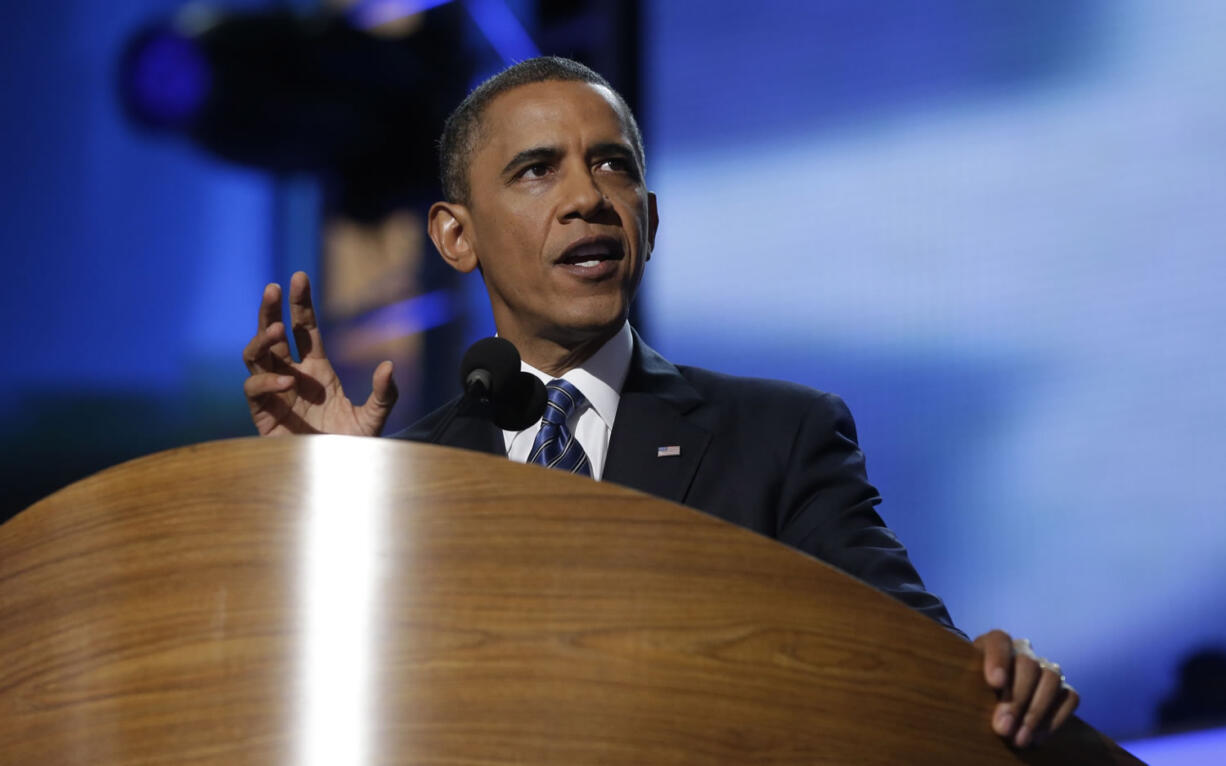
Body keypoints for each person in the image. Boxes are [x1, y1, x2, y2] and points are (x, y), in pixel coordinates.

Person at [242, 56, 1078, 748]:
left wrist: (994, 673)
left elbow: (913, 658)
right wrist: (323, 501)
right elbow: (310, 711)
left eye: (614, 164)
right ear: (456, 237)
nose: (587, 197)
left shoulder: (779, 436)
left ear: (649, 216)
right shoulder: (397, 481)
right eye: (538, 170)